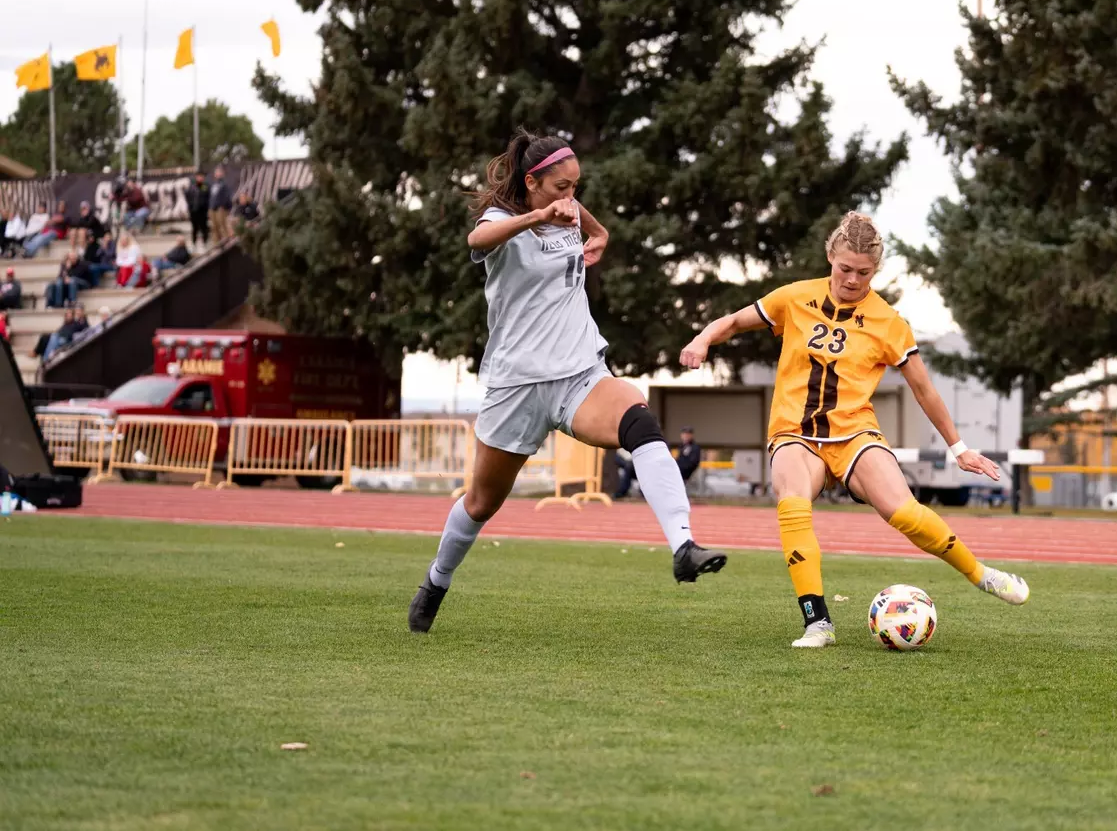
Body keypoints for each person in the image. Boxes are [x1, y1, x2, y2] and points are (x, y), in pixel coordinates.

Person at [407, 130, 728, 634]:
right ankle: (436, 580)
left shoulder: (569, 208)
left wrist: (597, 232)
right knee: (481, 503)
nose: (570, 198)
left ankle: (683, 546)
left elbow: (589, 224)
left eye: (576, 187)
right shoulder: (505, 222)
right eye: (560, 187)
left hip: (580, 375)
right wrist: (538, 218)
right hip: (517, 387)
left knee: (640, 422)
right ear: (531, 183)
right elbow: (475, 239)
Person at [680, 211, 1029, 648]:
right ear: (830, 256)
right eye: (845, 268)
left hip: (854, 434)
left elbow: (924, 390)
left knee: (902, 511)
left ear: (875, 270)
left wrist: (958, 448)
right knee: (792, 502)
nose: (852, 279)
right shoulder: (794, 297)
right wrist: (701, 340)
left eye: (863, 273)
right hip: (795, 432)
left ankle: (983, 575)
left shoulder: (888, 321)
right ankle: (817, 622)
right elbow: (730, 321)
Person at [186, 172, 211, 248]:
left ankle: (205, 243)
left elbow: (208, 197)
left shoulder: (206, 186)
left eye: (201, 177)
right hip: (194, 211)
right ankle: (194, 244)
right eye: (198, 176)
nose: (200, 178)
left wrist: (206, 207)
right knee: (194, 228)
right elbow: (188, 196)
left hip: (203, 211)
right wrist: (190, 207)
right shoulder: (192, 186)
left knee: (204, 227)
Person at [209, 166, 234, 241]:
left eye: (219, 172)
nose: (218, 174)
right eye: (216, 172)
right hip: (212, 208)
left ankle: (226, 242)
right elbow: (211, 196)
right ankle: (216, 244)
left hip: (221, 209)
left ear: (223, 174)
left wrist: (222, 206)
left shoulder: (225, 184)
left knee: (222, 226)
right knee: (214, 227)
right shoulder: (213, 184)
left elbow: (227, 197)